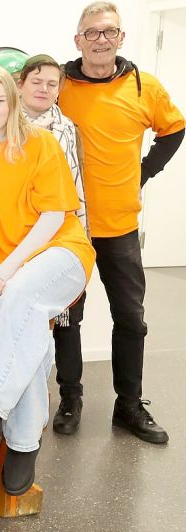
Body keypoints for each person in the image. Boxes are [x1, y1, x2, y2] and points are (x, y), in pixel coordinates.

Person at [0, 66, 96, 497]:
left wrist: (8, 268)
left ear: (13, 105)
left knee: (19, 298)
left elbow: (52, 217)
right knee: (24, 332)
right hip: (10, 274)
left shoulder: (39, 143)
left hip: (61, 253)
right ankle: (24, 444)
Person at [57, 1, 184, 443]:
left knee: (131, 318)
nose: (101, 40)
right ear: (78, 40)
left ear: (121, 37)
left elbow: (174, 129)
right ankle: (70, 397)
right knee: (67, 317)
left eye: (109, 31)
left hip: (121, 225)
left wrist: (145, 171)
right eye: (92, 33)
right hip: (69, 225)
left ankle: (128, 405)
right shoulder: (59, 83)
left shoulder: (142, 86)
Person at [15, 53, 91, 436]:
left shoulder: (66, 129)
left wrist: (82, 242)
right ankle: (23, 401)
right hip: (14, 236)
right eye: (37, 82)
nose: (44, 89)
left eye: (52, 84)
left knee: (65, 322)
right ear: (20, 84)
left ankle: (70, 399)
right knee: (22, 324)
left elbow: (76, 188)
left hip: (58, 236)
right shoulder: (4, 125)